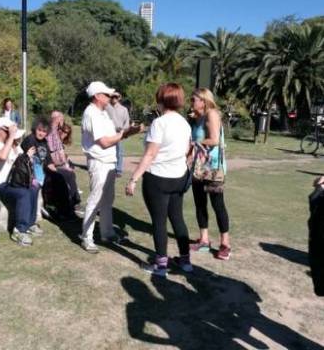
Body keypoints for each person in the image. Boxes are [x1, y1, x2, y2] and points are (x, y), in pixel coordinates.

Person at [126, 83, 193, 277]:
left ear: (162, 100)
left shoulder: (159, 123)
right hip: (178, 177)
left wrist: (134, 178)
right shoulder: (184, 123)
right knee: (177, 218)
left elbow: (150, 155)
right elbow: (188, 151)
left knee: (159, 221)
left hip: (158, 179)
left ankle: (161, 266)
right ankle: (185, 261)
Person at [80, 81, 141, 253]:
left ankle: (107, 233)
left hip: (108, 161)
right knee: (95, 200)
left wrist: (126, 133)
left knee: (107, 200)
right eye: (107, 94)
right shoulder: (91, 113)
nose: (110, 97)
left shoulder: (103, 112)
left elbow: (112, 136)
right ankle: (87, 237)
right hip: (99, 161)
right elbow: (105, 142)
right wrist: (125, 134)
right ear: (97, 96)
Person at [0, 117, 41, 246]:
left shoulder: (13, 145)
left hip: (14, 182)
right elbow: (2, 157)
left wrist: (27, 158)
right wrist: (11, 138)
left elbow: (22, 162)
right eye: (9, 131)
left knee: (34, 188)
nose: (14, 135)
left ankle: (30, 223)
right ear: (0, 131)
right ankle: (19, 230)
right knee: (23, 193)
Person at [189, 88, 231, 260]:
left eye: (193, 99)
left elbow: (214, 140)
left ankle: (225, 244)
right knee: (200, 204)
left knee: (217, 205)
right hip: (199, 168)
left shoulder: (212, 114)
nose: (191, 103)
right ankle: (204, 240)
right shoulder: (198, 118)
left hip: (213, 169)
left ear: (203, 101)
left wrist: (195, 143)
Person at [45, 113, 81, 219]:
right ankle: (71, 205)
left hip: (58, 165)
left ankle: (74, 202)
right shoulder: (50, 132)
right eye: (61, 119)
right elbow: (51, 153)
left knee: (70, 172)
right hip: (50, 166)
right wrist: (61, 164)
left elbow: (60, 150)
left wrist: (65, 164)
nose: (62, 121)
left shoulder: (55, 133)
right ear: (57, 120)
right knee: (67, 175)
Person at [21, 117, 56, 222]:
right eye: (39, 130)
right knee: (36, 191)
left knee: (58, 180)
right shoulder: (30, 139)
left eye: (44, 131)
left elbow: (49, 161)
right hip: (30, 174)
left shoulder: (45, 142)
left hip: (41, 173)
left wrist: (56, 173)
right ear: (35, 129)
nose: (41, 133)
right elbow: (29, 160)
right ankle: (34, 215)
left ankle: (42, 211)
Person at [106, 92, 130, 176]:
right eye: (112, 96)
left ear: (119, 98)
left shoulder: (124, 109)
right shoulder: (106, 107)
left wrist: (123, 131)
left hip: (119, 132)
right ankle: (111, 168)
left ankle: (118, 170)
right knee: (108, 151)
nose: (114, 98)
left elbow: (126, 122)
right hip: (108, 132)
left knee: (119, 152)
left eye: (116, 97)